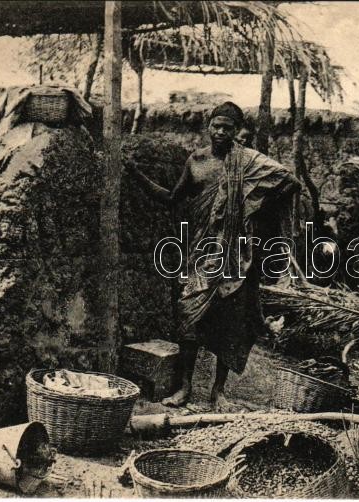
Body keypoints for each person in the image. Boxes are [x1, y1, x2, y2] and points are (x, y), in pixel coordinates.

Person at [127, 102, 301, 410]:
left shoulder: (248, 162)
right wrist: (136, 174)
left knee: (229, 321)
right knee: (189, 316)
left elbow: (288, 181)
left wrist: (252, 210)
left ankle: (218, 391)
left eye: (227, 128)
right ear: (208, 126)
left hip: (235, 256)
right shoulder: (196, 161)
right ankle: (185, 387)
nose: (220, 132)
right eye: (216, 126)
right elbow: (172, 197)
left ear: (236, 131)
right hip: (201, 252)